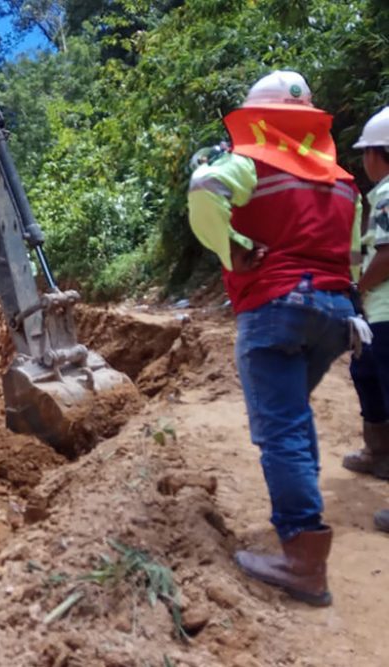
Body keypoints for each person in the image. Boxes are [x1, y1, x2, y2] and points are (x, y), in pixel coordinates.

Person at [187, 70, 363, 606]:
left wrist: (232, 244)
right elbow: (352, 254)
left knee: (281, 429)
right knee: (293, 418)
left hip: (276, 306)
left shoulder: (250, 161)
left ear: (257, 120)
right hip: (335, 312)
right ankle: (303, 535)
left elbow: (203, 190)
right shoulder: (342, 179)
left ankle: (303, 560)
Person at [348, 106, 389, 532]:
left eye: (367, 153)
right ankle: (378, 453)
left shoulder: (388, 195)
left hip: (385, 312)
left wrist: (360, 286)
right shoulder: (379, 196)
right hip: (377, 316)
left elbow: (387, 255)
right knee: (364, 372)